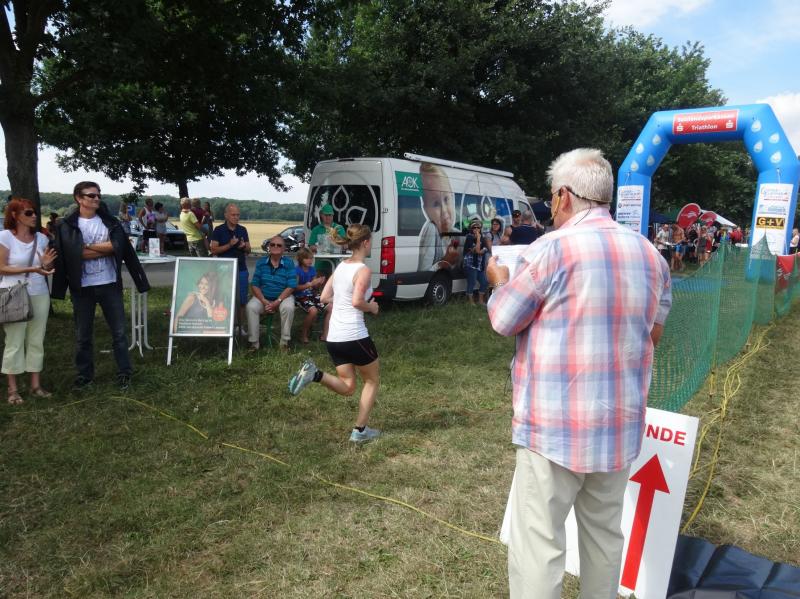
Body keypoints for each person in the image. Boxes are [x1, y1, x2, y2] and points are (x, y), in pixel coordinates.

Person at [486, 149, 672, 599]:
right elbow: (654, 334)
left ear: (564, 196)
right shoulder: (651, 255)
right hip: (619, 422)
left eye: (552, 196)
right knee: (605, 535)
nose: (552, 205)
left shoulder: (550, 248)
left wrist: (499, 281)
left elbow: (504, 319)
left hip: (553, 425)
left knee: (539, 542)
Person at [288, 224, 381, 443]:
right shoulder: (363, 270)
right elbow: (357, 302)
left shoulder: (340, 267)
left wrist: (342, 298)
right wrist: (372, 307)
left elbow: (323, 297)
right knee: (372, 380)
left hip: (334, 338)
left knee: (348, 386)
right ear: (365, 242)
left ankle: (315, 375)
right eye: (371, 241)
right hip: (354, 335)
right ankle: (360, 431)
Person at [52, 181, 150, 390]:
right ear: (79, 198)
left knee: (119, 333)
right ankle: (84, 376)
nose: (97, 198)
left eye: (98, 195)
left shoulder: (110, 222)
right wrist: (100, 249)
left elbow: (117, 246)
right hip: (82, 287)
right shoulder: (67, 225)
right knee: (83, 336)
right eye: (91, 195)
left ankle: (124, 373)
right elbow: (71, 254)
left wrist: (87, 247)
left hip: (109, 284)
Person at [0, 199, 57, 403]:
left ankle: (35, 385)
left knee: (36, 340)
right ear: (15, 215)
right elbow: (1, 267)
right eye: (28, 213)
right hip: (13, 293)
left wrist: (46, 265)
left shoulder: (41, 238)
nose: (34, 216)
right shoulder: (5, 237)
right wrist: (32, 269)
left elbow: (45, 267)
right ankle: (13, 390)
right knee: (14, 341)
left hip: (39, 292)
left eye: (34, 213)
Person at [246, 235, 296, 351]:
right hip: (264, 297)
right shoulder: (261, 262)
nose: (275, 247)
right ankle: (254, 343)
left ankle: (284, 342)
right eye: (272, 244)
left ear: (284, 249)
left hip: (283, 297)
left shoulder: (289, 263)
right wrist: (264, 301)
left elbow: (291, 286)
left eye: (279, 245)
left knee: (288, 308)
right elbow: (255, 284)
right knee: (251, 307)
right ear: (269, 247)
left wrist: (277, 302)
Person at [210, 203, 251, 331]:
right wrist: (230, 245)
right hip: (223, 269)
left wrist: (243, 247)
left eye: (238, 215)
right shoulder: (218, 230)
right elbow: (213, 249)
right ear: (226, 215)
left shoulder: (242, 230)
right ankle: (223, 325)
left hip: (241, 268)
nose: (236, 217)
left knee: (242, 300)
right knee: (222, 297)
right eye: (233, 215)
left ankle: (240, 327)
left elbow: (249, 250)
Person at [418, 163, 459, 271]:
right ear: (426, 209)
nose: (444, 211)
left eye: (446, 199)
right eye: (436, 204)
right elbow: (424, 273)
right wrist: (445, 261)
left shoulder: (456, 234)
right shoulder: (431, 230)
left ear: (453, 197)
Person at [293, 247, 328, 343]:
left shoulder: (312, 269)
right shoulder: (297, 270)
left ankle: (324, 334)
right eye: (307, 258)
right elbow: (295, 288)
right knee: (313, 311)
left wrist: (319, 282)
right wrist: (310, 284)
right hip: (299, 296)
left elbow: (314, 287)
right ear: (300, 259)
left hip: (311, 294)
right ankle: (303, 334)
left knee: (330, 306)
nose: (310, 260)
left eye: (311, 258)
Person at [463, 218, 490, 305]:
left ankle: (480, 300)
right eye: (474, 227)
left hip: (479, 265)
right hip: (470, 265)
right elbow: (477, 251)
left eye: (478, 227)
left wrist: (480, 247)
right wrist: (478, 239)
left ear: (480, 228)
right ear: (471, 229)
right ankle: (470, 301)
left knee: (484, 282)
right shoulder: (469, 237)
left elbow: (483, 250)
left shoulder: (483, 238)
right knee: (472, 282)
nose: (476, 229)